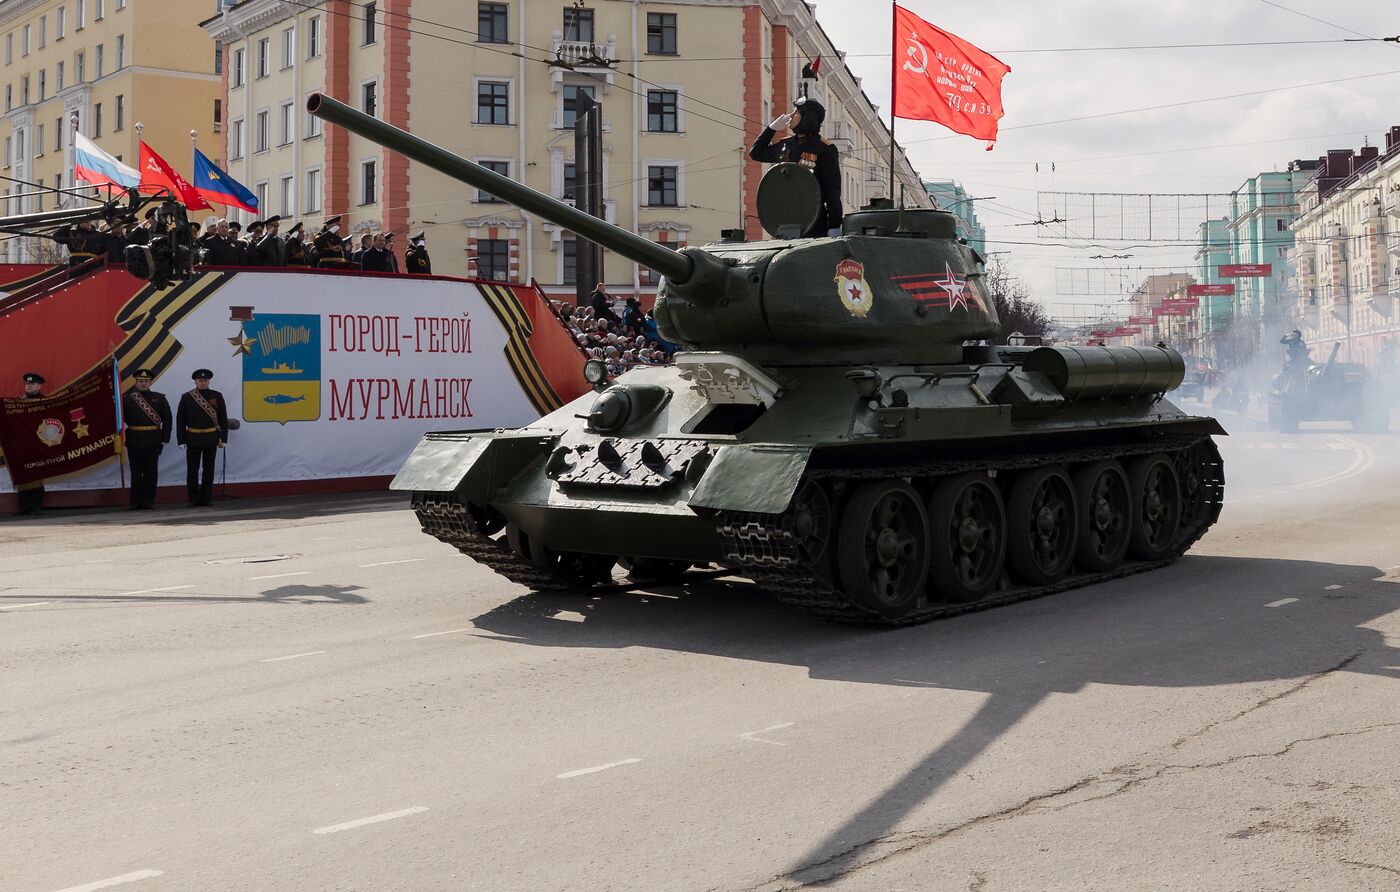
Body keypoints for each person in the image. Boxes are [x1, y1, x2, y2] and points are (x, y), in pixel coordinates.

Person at [747, 96, 842, 237]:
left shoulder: (824, 148)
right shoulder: (785, 144)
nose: (790, 116)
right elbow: (755, 153)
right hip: (784, 222)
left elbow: (832, 191)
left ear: (807, 118)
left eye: (796, 113)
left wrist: (834, 225)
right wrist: (771, 128)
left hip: (813, 223)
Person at [176, 369, 229, 508]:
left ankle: (206, 499)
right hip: (192, 437)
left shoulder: (217, 396)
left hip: (211, 437)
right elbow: (180, 420)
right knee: (192, 470)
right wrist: (181, 440)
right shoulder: (187, 397)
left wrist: (223, 438)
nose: (203, 382)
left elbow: (223, 418)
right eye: (200, 380)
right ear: (195, 381)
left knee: (208, 469)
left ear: (209, 381)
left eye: (205, 380)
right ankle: (193, 499)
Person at [121, 368, 172, 510]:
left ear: (150, 382)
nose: (143, 384)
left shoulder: (159, 398)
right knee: (136, 473)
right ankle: (135, 502)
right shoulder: (127, 399)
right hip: (134, 439)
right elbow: (120, 420)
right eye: (140, 381)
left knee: (151, 472)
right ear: (136, 383)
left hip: (153, 440)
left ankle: (149, 501)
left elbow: (167, 420)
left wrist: (164, 439)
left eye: (146, 381)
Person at [12, 372, 46, 516]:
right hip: (22, 443)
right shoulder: (19, 402)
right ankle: (23, 507)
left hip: (38, 441)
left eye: (32, 384)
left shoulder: (45, 401)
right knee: (23, 473)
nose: (29, 386)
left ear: (39, 386)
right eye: (27, 384)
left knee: (37, 474)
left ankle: (36, 506)